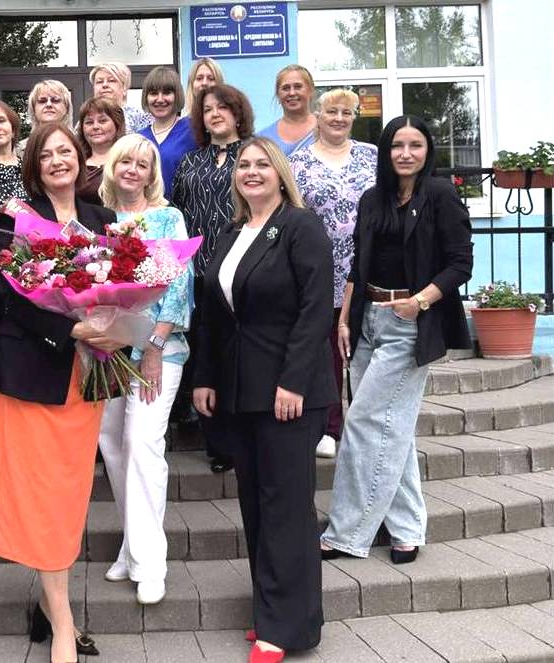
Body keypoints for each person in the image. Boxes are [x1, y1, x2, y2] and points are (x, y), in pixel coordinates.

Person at [192, 137, 335, 663]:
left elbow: (315, 309)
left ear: (279, 174)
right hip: (240, 391)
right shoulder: (232, 233)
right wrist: (205, 377)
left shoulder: (300, 226)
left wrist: (293, 382)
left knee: (286, 508)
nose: (251, 172)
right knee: (256, 505)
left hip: (289, 391)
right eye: (243, 166)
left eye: (261, 165)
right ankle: (272, 612)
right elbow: (213, 315)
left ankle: (288, 627)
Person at [0, 122, 116, 663]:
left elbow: (122, 290)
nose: (58, 160)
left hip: (86, 376)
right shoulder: (14, 218)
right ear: (33, 166)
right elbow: (9, 297)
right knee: (40, 497)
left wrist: (114, 327)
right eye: (46, 154)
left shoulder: (103, 219)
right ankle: (63, 623)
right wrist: (71, 328)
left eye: (66, 151)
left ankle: (48, 604)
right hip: (32, 374)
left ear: (80, 158)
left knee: (68, 495)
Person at [320, 116, 473, 565]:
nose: (406, 154)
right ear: (385, 152)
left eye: (415, 145)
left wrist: (419, 302)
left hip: (409, 322)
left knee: (366, 421)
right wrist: (344, 320)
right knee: (392, 427)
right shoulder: (373, 198)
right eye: (397, 146)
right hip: (366, 319)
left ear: (428, 151)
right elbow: (358, 265)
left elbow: (460, 263)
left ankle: (346, 532)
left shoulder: (440, 195)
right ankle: (406, 529)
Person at [96, 134, 193, 606]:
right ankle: (131, 546)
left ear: (152, 173)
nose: (133, 169)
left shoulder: (167, 217)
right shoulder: (99, 219)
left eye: (142, 163)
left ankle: (151, 564)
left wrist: (154, 344)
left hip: (159, 350)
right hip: (108, 351)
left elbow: (178, 283)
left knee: (142, 445)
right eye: (126, 161)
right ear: (113, 166)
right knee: (113, 446)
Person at [289, 89, 377, 459]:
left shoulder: (372, 156)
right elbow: (291, 212)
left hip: (368, 267)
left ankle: (366, 424)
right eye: (331, 112)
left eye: (346, 112)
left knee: (364, 346)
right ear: (318, 116)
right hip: (319, 270)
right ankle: (329, 425)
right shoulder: (299, 162)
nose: (339, 118)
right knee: (327, 352)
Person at [171, 83, 254, 473]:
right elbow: (178, 215)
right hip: (198, 274)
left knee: (237, 356)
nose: (215, 114)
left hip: (242, 272)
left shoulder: (253, 156)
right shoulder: (191, 160)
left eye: (223, 107)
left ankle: (242, 438)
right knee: (204, 355)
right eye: (207, 109)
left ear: (238, 113)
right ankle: (215, 441)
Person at [138, 66, 197, 200]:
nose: (160, 99)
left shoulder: (193, 130)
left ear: (177, 96)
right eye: (153, 93)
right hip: (146, 210)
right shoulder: (139, 137)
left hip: (185, 209)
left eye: (166, 93)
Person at [257, 65, 317, 156]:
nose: (292, 93)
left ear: (310, 90)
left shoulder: (326, 130)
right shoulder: (263, 139)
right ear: (278, 94)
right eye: (285, 88)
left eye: (298, 87)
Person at [76, 97, 126, 206]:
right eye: (89, 122)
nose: (95, 127)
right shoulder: (75, 163)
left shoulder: (128, 161)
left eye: (102, 121)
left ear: (117, 124)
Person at [90, 61, 152, 133]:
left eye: (111, 80)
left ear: (124, 88)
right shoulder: (86, 118)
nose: (104, 85)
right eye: (99, 82)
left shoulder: (140, 117)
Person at [17, 79, 74, 156]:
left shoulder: (80, 145)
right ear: (34, 109)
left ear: (66, 108)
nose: (49, 104)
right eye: (42, 101)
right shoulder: (19, 150)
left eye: (55, 100)